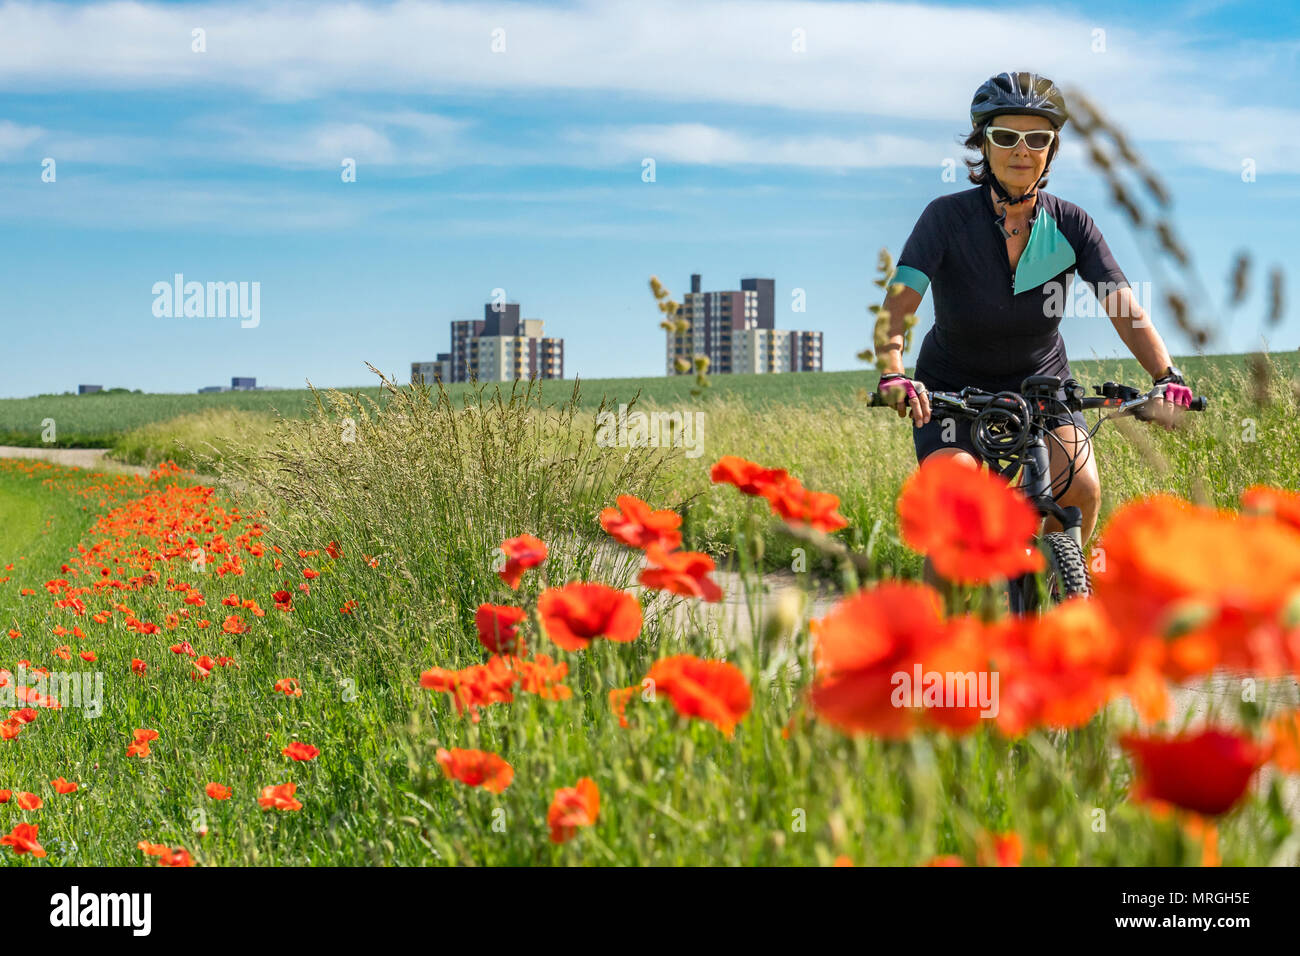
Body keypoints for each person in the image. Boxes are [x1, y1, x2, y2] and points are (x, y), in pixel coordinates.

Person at [877, 71, 1192, 569]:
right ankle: (950, 608)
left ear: (1052, 148)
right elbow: (897, 309)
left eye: (1037, 139)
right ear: (984, 144)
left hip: (1044, 386)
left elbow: (1122, 307)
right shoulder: (945, 218)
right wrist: (893, 371)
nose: (1022, 150)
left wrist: (1166, 375)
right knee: (955, 499)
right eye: (1006, 137)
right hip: (952, 389)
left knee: (1081, 488)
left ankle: (1056, 590)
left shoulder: (1072, 224)